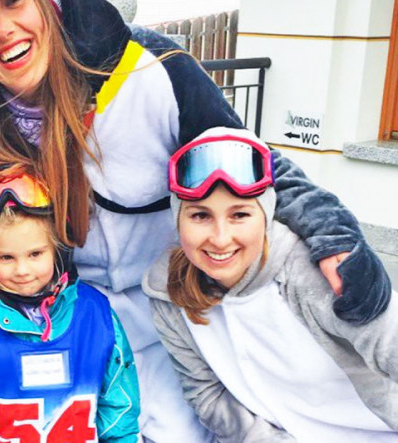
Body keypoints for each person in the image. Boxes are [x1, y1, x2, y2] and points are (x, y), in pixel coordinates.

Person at [0, 0, 392, 440]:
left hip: (176, 315)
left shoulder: (147, 70)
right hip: (75, 325)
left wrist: (334, 235)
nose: (2, 29)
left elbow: (247, 162)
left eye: (14, 2)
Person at [143, 126, 398, 441]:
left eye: (239, 215)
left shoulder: (314, 271)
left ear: (265, 216)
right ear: (177, 219)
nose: (220, 238)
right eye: (200, 216)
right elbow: (207, 395)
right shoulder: (167, 291)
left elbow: (391, 343)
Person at [0, 169, 140, 442]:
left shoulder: (96, 318)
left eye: (35, 254)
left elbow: (120, 419)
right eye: (6, 257)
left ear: (58, 248)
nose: (22, 270)